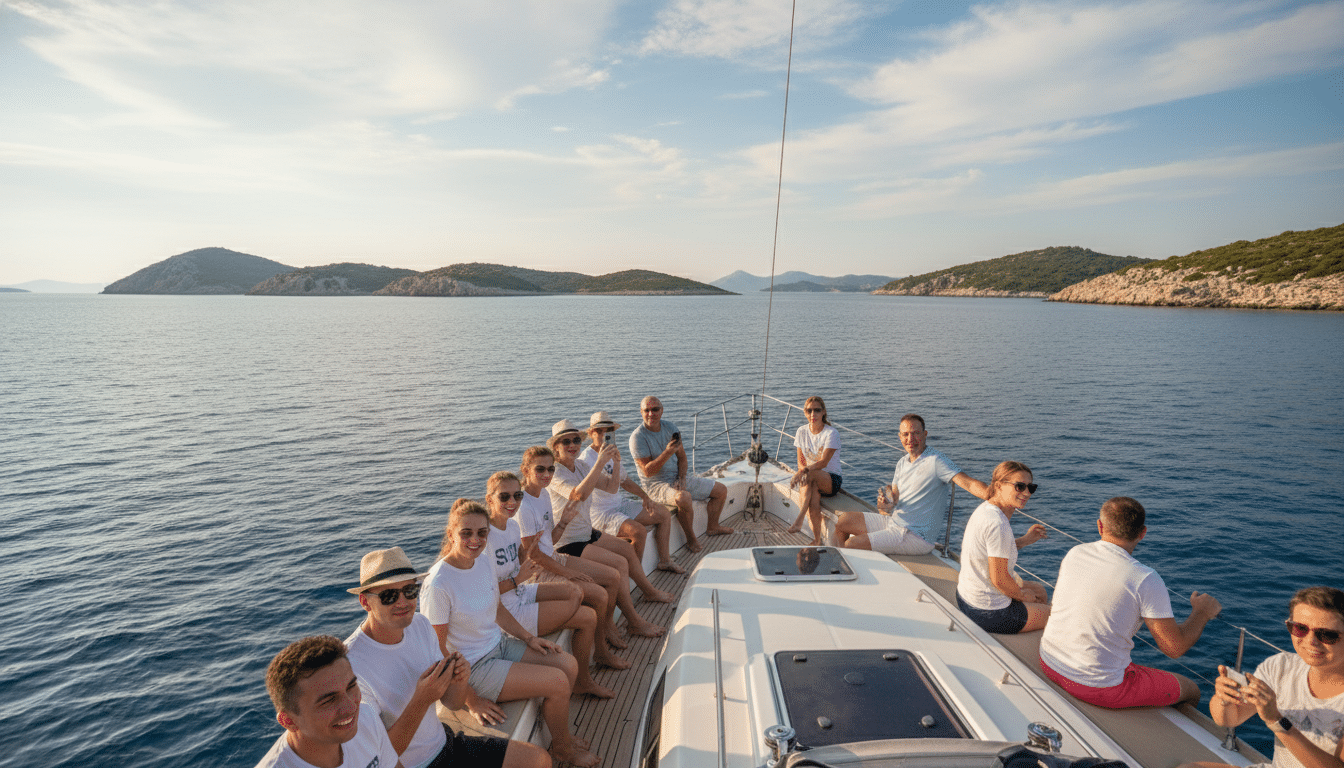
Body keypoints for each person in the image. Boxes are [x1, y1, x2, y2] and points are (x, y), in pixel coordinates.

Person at [419, 501, 598, 767]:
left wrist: (528, 638)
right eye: (466, 533)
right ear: (451, 534)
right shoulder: (439, 584)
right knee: (558, 682)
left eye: (482, 533)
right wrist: (471, 698)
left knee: (568, 664)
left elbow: (497, 608)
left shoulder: (482, 561)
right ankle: (563, 749)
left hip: (499, 644)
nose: (475, 540)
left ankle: (561, 734)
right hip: (475, 666)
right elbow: (437, 648)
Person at [342, 547, 548, 768]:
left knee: (539, 760)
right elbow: (378, 756)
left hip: (447, 744)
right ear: (365, 602)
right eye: (389, 596)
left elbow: (452, 702)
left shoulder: (420, 625)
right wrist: (421, 700)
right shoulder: (351, 666)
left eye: (410, 591)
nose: (403, 602)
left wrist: (460, 680)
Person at [1039, 497, 1223, 709]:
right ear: (1142, 533)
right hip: (1099, 687)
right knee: (1191, 688)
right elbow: (1174, 648)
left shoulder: (1075, 553)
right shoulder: (1145, 578)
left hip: (1050, 662)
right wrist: (1201, 612)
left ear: (1100, 526)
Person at [516, 446, 664, 666]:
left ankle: (611, 630)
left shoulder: (543, 494)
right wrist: (569, 572)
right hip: (541, 570)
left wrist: (563, 521)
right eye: (540, 469)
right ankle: (602, 652)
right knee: (599, 594)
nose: (547, 474)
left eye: (550, 469)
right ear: (526, 470)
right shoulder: (523, 505)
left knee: (613, 576)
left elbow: (549, 542)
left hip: (555, 557)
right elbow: (533, 555)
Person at [484, 470, 617, 701]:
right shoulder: (484, 538)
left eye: (517, 495)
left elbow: (524, 561)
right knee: (587, 617)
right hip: (508, 613)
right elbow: (485, 597)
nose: (512, 502)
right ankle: (583, 682)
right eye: (504, 497)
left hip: (520, 592)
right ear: (489, 499)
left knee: (575, 591)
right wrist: (518, 578)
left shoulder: (512, 528)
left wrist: (534, 552)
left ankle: (591, 664)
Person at [1178, 587, 1344, 768]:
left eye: (1327, 634)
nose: (1311, 641)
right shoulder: (1281, 667)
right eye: (1300, 628)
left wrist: (1277, 721)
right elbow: (1228, 720)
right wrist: (1225, 699)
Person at [549, 419, 674, 604]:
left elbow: (611, 487)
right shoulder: (554, 471)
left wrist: (615, 463)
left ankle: (648, 591)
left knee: (626, 550)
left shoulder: (580, 466)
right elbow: (578, 495)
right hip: (568, 540)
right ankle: (631, 615)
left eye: (576, 440)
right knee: (619, 563)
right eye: (566, 441)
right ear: (556, 447)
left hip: (585, 531)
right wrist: (600, 462)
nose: (573, 445)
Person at [831, 413, 988, 554]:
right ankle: (837, 567)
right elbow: (893, 500)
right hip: (895, 523)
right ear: (900, 437)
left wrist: (991, 494)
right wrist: (885, 504)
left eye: (915, 433)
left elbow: (968, 483)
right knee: (842, 521)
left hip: (915, 536)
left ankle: (846, 575)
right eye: (905, 434)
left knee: (852, 543)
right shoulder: (902, 462)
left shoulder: (936, 461)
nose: (910, 439)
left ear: (925, 435)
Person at [255, 634, 402, 768]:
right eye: (328, 700)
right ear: (289, 721)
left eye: (351, 687)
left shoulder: (366, 717)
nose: (351, 707)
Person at [579, 411, 683, 573]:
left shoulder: (612, 451)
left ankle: (664, 561)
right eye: (599, 431)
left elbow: (625, 481)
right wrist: (611, 460)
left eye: (609, 431)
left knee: (663, 514)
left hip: (620, 505)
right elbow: (611, 487)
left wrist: (645, 496)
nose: (604, 434)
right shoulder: (586, 460)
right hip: (601, 513)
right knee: (638, 532)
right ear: (591, 433)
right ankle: (635, 575)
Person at [955, 461, 1051, 634]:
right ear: (999, 486)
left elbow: (993, 551)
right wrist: (1023, 596)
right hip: (989, 612)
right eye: (1019, 486)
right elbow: (1000, 579)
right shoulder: (998, 523)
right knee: (1055, 616)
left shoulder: (987, 509)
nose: (1026, 493)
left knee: (1040, 591)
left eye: (1031, 487)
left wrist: (1025, 540)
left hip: (967, 598)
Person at [628, 396, 733, 551]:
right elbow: (648, 472)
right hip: (655, 485)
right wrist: (667, 452)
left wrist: (682, 478)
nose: (651, 414)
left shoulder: (670, 428)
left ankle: (713, 526)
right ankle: (691, 539)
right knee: (684, 497)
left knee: (721, 490)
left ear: (662, 411)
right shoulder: (637, 437)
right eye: (647, 410)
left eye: (655, 409)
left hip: (676, 478)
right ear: (641, 412)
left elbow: (682, 458)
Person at [785, 396, 841, 546]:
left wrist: (802, 473)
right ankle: (817, 540)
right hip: (809, 477)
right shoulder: (801, 432)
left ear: (823, 412)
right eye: (809, 410)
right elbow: (800, 461)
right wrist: (802, 472)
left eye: (817, 410)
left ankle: (799, 519)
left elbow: (823, 463)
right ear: (804, 413)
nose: (813, 414)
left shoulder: (831, 433)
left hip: (831, 480)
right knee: (813, 500)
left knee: (809, 476)